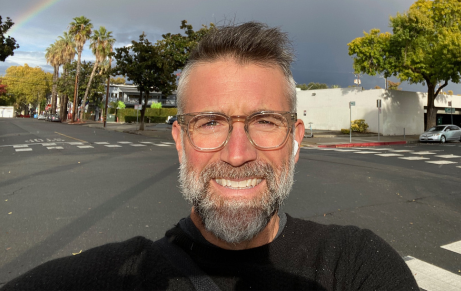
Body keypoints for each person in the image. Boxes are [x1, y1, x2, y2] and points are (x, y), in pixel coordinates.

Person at [2, 22, 419, 290]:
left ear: (295, 140)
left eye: (265, 121)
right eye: (210, 123)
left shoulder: (354, 264)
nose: (238, 154)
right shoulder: (120, 275)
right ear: (180, 141)